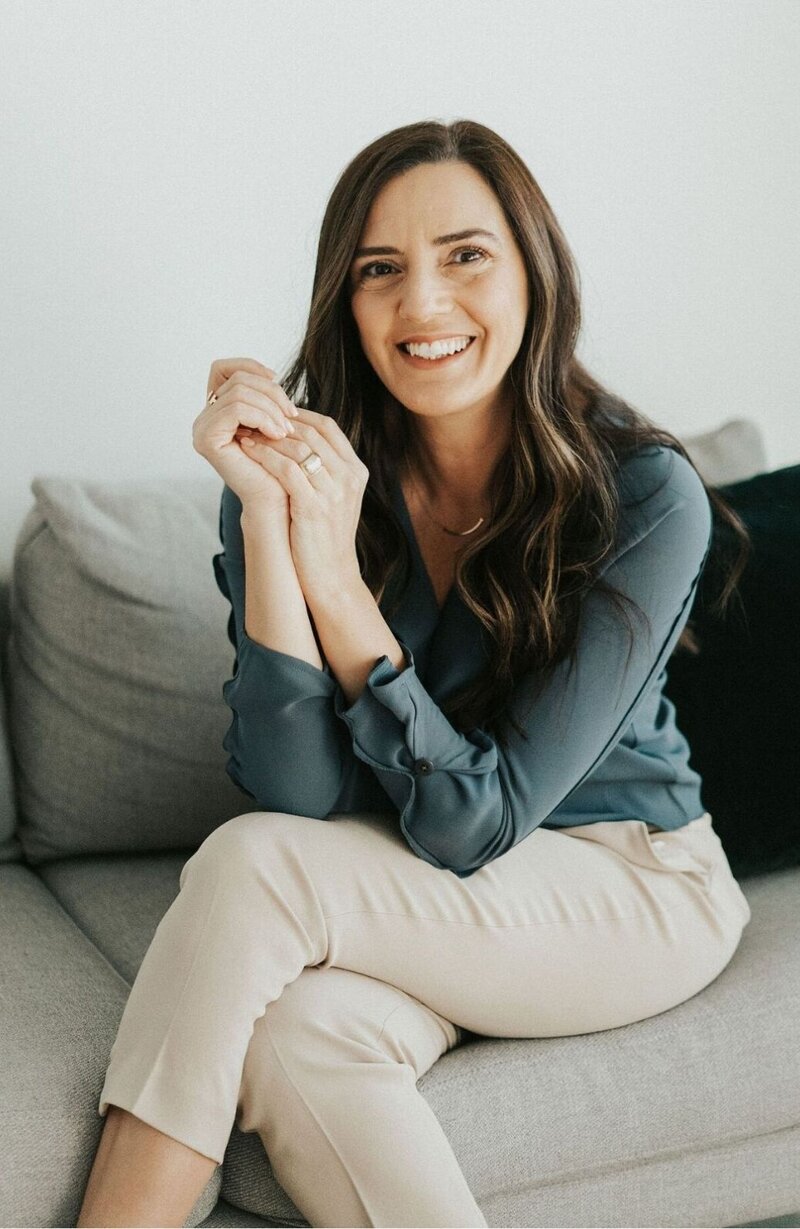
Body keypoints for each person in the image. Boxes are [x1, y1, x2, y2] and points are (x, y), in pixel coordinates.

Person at [77, 119, 753, 1229]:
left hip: (628, 884)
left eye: (464, 255)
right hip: (425, 888)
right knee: (295, 1040)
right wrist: (268, 515)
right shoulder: (312, 471)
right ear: (344, 301)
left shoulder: (642, 494)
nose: (423, 303)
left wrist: (335, 579)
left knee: (253, 867)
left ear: (535, 271)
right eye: (378, 269)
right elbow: (298, 791)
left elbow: (469, 819)